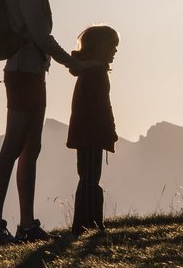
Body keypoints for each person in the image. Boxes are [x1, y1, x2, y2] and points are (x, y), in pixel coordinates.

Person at [0, 0, 91, 244]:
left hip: (27, 72)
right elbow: (42, 36)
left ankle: (22, 224)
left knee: (28, 148)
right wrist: (72, 63)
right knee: (15, 148)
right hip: (26, 73)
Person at [66, 25, 119, 235]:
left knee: (88, 176)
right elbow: (102, 105)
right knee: (90, 177)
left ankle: (90, 221)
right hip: (92, 133)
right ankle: (86, 223)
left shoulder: (88, 70)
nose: (115, 51)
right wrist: (109, 129)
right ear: (101, 47)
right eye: (112, 46)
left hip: (84, 132)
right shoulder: (96, 72)